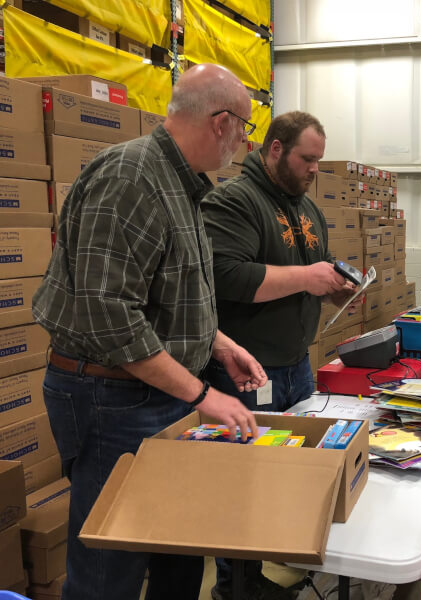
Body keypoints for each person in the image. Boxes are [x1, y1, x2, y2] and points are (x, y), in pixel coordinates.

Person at [31, 64, 268, 600]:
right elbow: (109, 316)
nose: (245, 142)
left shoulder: (181, 184)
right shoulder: (132, 179)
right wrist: (202, 395)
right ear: (220, 122)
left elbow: (166, 295)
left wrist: (218, 343)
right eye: (245, 129)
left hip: (153, 391)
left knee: (175, 548)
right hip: (111, 397)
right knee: (110, 565)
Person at [200, 110, 353, 600]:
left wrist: (335, 289)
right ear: (274, 149)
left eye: (319, 161)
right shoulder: (234, 201)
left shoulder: (308, 211)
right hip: (244, 373)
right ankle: (234, 586)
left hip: (295, 368)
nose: (314, 170)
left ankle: (267, 568)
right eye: (307, 159)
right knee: (243, 482)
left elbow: (305, 278)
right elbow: (226, 276)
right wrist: (309, 278)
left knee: (290, 476)